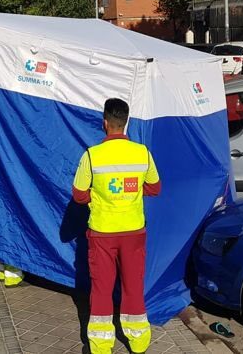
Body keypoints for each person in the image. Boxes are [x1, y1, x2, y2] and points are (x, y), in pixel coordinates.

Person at [72, 98, 161, 354]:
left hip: (102, 233)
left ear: (104, 123)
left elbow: (78, 195)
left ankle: (100, 346)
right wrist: (129, 193)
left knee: (101, 289)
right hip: (134, 231)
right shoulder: (142, 153)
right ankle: (139, 341)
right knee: (133, 286)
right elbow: (155, 188)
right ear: (126, 123)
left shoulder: (92, 155)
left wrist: (100, 197)